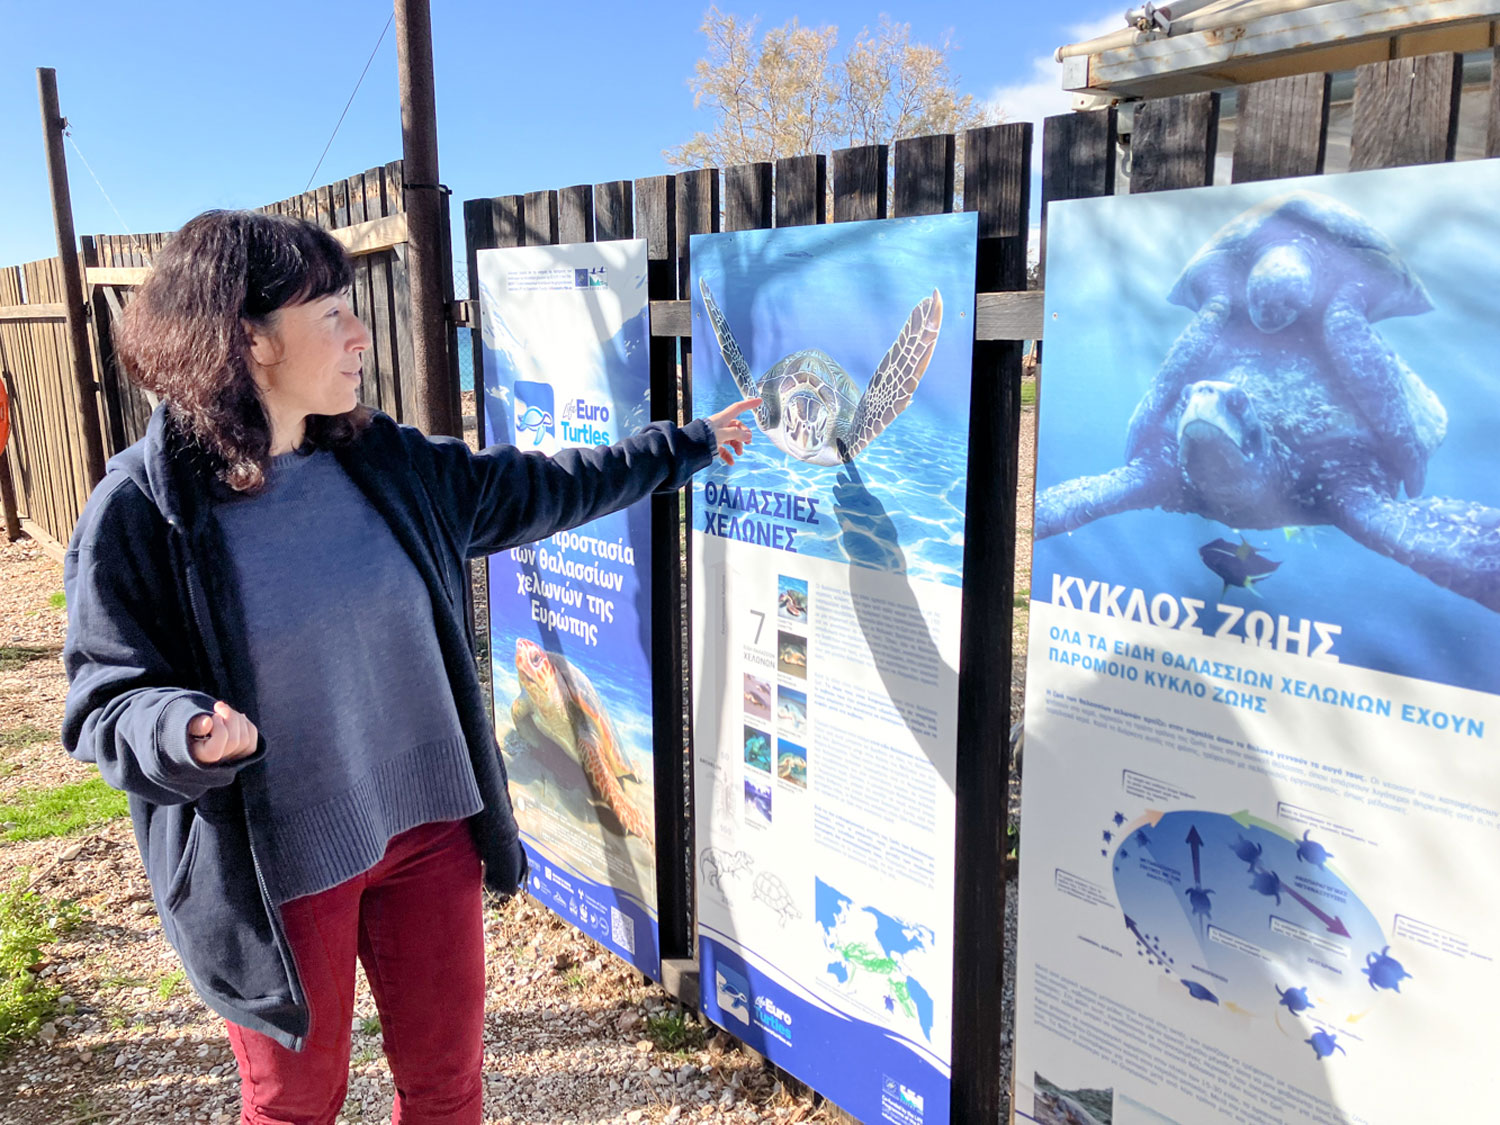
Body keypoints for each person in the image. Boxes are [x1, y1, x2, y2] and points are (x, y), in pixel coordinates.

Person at [60, 209, 758, 1125]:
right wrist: (179, 727)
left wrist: (687, 446)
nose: (360, 336)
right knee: (295, 1103)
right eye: (331, 316)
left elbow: (546, 486)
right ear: (248, 338)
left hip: (432, 828)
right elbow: (104, 697)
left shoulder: (381, 461)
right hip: (283, 857)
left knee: (446, 1087)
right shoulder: (141, 510)